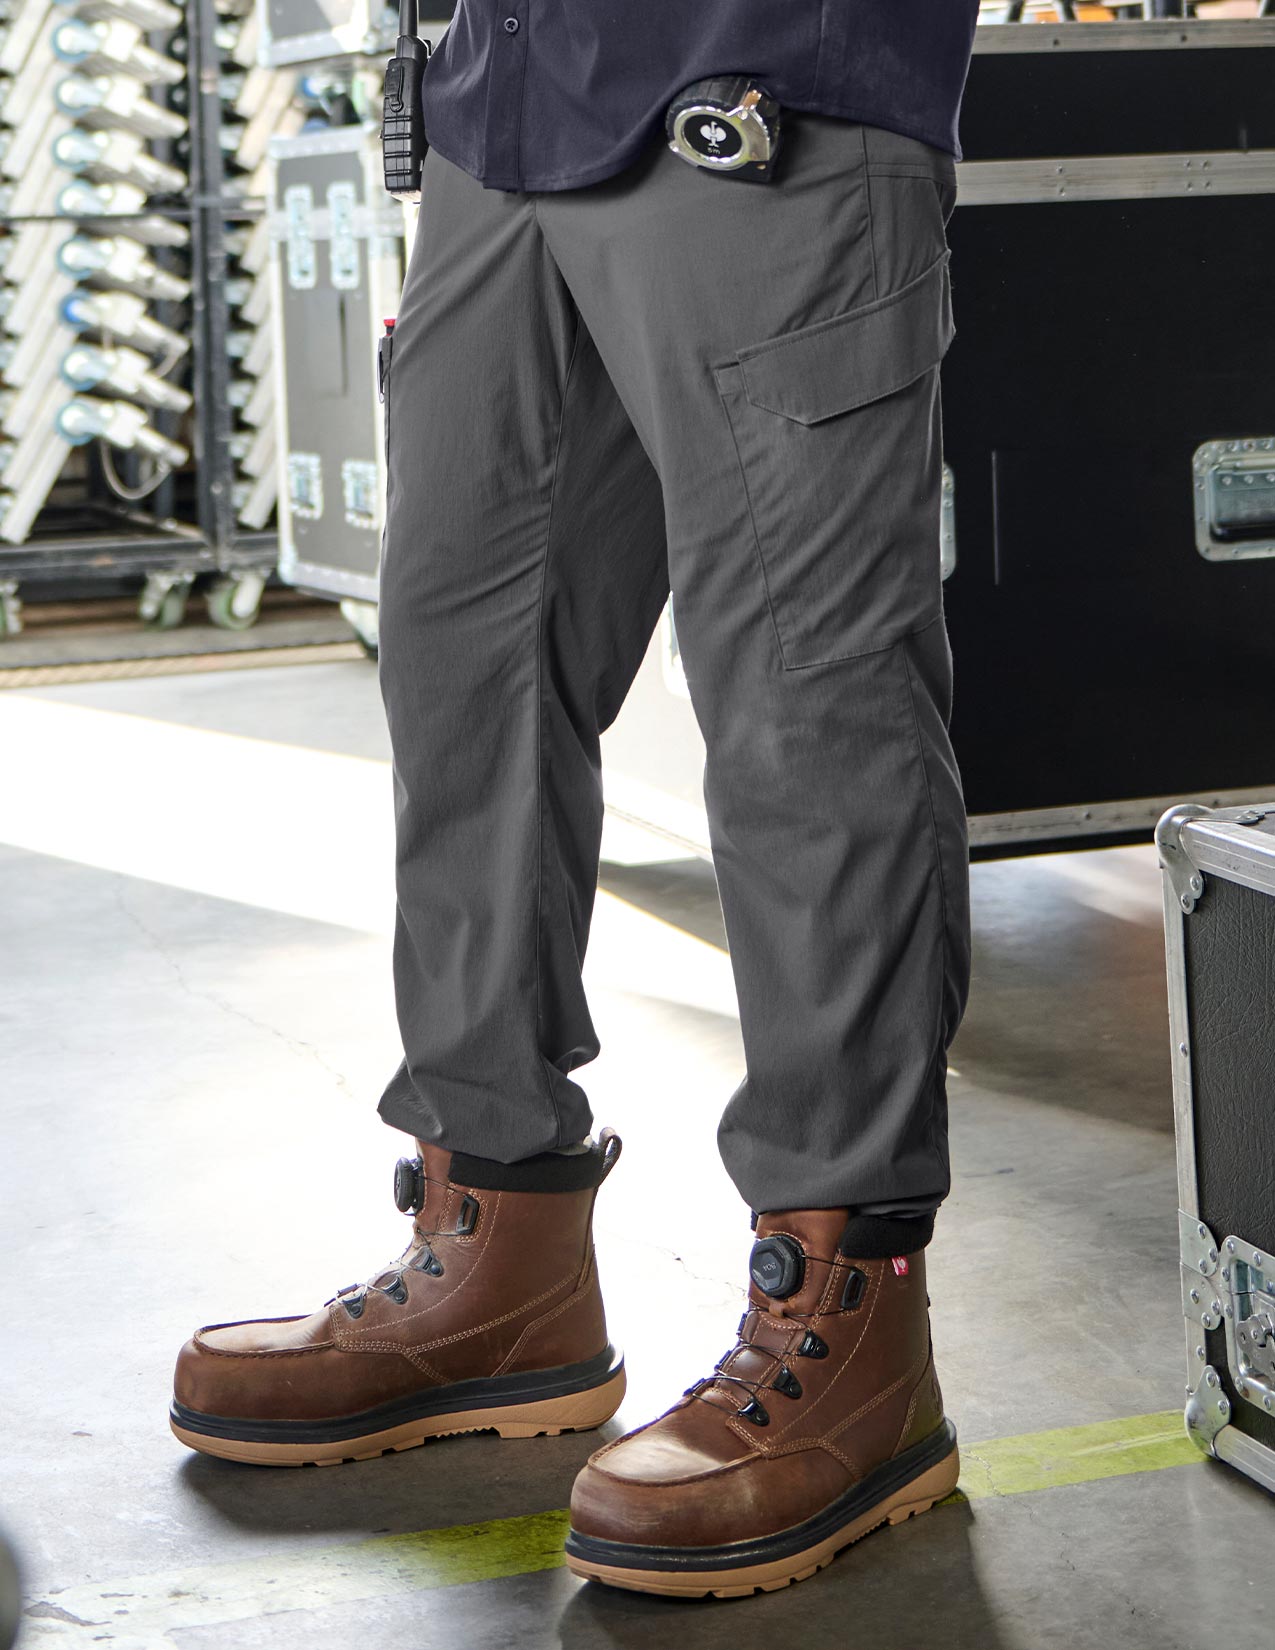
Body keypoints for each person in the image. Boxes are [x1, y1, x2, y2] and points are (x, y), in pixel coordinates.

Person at [171, 0, 979, 1599]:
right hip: (508, 102)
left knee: (804, 705)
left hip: (772, 83)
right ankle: (503, 1254)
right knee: (465, 670)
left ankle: (848, 1298)